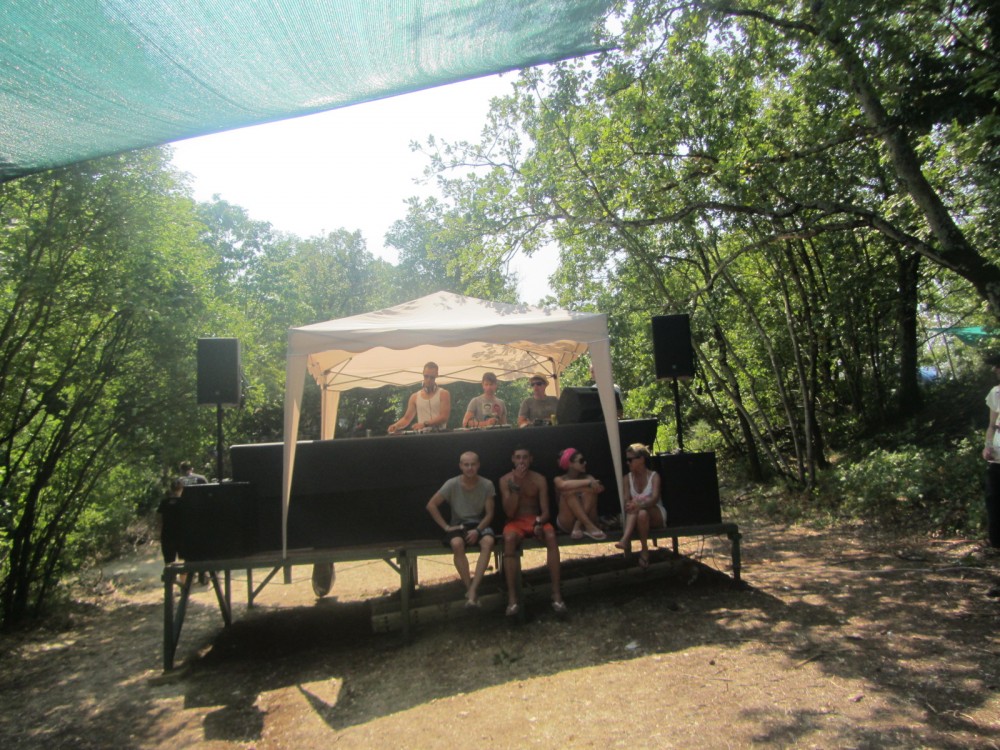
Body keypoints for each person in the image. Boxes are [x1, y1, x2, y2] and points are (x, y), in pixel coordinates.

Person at [499, 446, 566, 617]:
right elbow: (509, 513)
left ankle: (556, 594)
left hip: (534, 519)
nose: (521, 461)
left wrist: (538, 522)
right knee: (509, 540)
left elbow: (546, 512)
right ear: (513, 459)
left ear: (531, 459)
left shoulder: (539, 479)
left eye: (525, 457)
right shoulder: (505, 480)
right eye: (518, 457)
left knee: (550, 535)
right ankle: (512, 599)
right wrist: (515, 486)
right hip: (515, 522)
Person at [426, 451, 497, 606]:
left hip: (479, 524)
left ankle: (473, 589)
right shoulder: (452, 483)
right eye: (466, 465)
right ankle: (470, 589)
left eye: (473, 464)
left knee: (488, 542)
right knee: (456, 543)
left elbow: (490, 514)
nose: (470, 468)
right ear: (460, 466)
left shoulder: (487, 484)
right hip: (458, 524)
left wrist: (477, 531)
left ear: (478, 465)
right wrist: (446, 527)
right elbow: (431, 505)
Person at [615, 443, 665, 569]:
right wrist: (630, 504)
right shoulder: (627, 478)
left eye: (630, 460)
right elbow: (626, 499)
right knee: (641, 513)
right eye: (627, 460)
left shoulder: (654, 476)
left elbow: (654, 498)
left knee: (640, 509)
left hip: (655, 512)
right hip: (638, 516)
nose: (627, 463)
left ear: (641, 459)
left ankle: (625, 539)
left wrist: (640, 505)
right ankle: (644, 549)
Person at [553, 447, 607, 540]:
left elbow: (599, 488)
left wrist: (581, 487)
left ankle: (581, 525)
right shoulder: (559, 479)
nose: (585, 463)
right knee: (568, 492)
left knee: (590, 492)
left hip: (588, 519)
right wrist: (588, 483)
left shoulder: (588, 476)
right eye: (581, 461)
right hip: (567, 520)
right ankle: (586, 526)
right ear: (570, 464)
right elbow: (563, 485)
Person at [388, 361, 452, 433]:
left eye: (432, 377)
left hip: (441, 435)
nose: (428, 380)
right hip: (422, 436)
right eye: (426, 376)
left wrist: (424, 424)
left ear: (437, 375)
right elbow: (406, 419)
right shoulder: (414, 397)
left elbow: (444, 417)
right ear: (423, 373)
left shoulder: (443, 394)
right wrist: (396, 426)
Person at [982, 353, 1000, 551]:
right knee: (993, 499)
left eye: (998, 366)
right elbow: (991, 425)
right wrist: (988, 446)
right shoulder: (996, 393)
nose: (995, 370)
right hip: (997, 458)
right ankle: (996, 544)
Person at [157, 478, 187, 585]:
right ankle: (184, 586)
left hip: (167, 535)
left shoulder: (164, 502)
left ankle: (169, 586)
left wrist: (159, 534)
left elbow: (159, 520)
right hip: (182, 535)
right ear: (182, 489)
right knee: (184, 562)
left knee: (169, 562)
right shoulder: (184, 502)